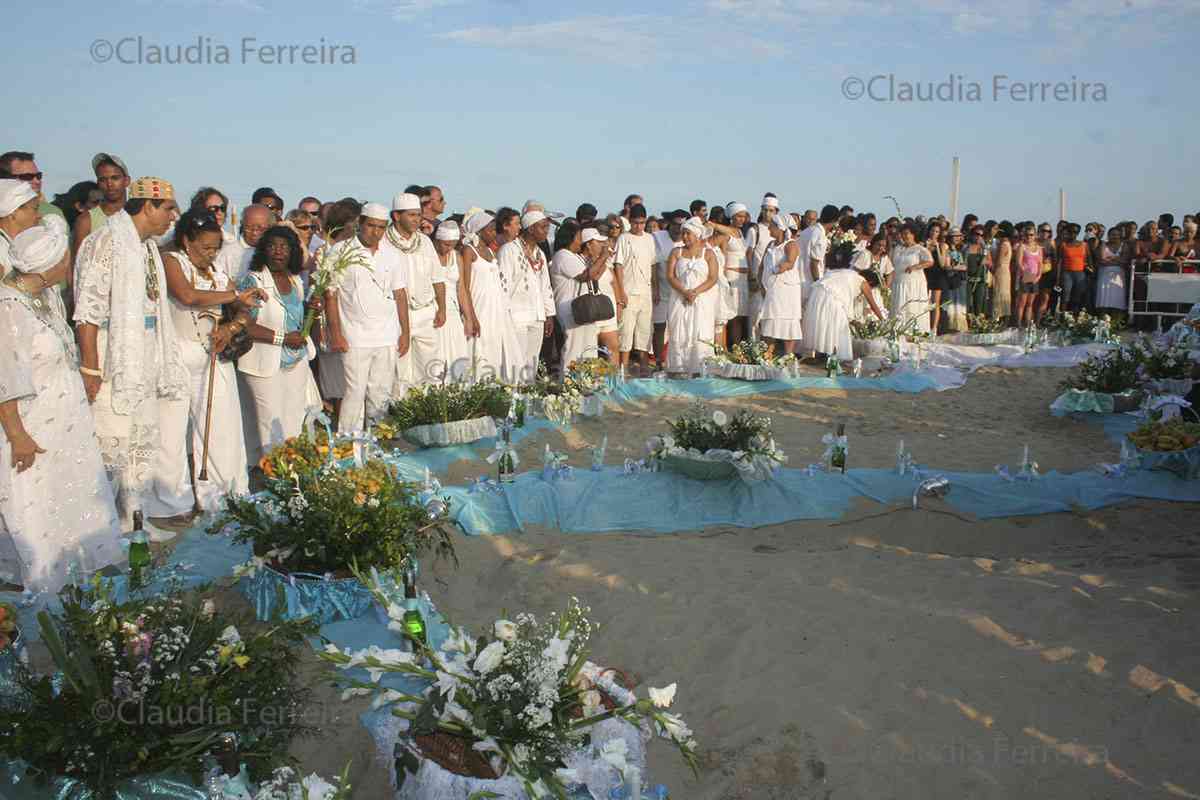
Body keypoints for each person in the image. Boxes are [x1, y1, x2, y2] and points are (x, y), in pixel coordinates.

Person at [0, 190, 124, 594]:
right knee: (35, 498)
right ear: (49, 263)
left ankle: (79, 561)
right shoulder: (9, 306)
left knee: (71, 489)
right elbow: (5, 376)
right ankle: (44, 571)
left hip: (64, 414)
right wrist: (17, 434)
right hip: (30, 423)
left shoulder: (46, 297)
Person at [73, 176, 189, 539]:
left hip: (147, 352)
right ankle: (100, 533)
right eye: (168, 207)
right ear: (148, 205)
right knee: (112, 442)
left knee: (140, 439)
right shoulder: (104, 242)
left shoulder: (148, 247)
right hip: (113, 357)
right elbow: (87, 312)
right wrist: (90, 368)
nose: (174, 215)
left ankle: (134, 519)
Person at [164, 211, 264, 508]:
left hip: (215, 353)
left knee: (223, 426)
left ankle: (222, 494)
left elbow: (246, 310)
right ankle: (173, 501)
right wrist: (233, 296)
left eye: (215, 248)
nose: (211, 254)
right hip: (179, 353)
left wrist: (231, 327)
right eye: (205, 247)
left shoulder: (218, 272)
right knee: (172, 432)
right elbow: (187, 296)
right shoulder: (172, 261)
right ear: (186, 241)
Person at [321, 205, 408, 434]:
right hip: (354, 336)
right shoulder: (341, 250)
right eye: (371, 225)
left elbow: (400, 294)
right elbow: (330, 294)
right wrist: (335, 333)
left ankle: (376, 440)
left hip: (387, 334)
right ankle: (347, 442)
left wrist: (405, 332)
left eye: (381, 227)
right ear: (360, 223)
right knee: (354, 392)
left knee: (380, 392)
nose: (375, 232)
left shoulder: (392, 254)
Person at [384, 193, 445, 391]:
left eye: (418, 215)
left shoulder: (425, 242)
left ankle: (429, 411)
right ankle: (401, 415)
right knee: (400, 369)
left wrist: (442, 308)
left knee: (430, 367)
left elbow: (437, 278)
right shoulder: (383, 241)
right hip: (396, 314)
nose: (417, 220)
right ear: (396, 216)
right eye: (411, 215)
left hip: (426, 312)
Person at [461, 211, 521, 383]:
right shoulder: (469, 251)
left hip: (495, 309)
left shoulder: (490, 252)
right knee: (479, 349)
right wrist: (471, 316)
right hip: (479, 307)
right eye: (491, 230)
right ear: (480, 231)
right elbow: (465, 286)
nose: (495, 234)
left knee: (494, 348)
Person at [498, 210, 555, 383]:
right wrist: (504, 317)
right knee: (515, 361)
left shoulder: (540, 254)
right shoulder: (509, 250)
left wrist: (549, 314)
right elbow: (503, 287)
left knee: (531, 362)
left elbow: (546, 286)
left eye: (547, 227)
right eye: (543, 227)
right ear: (530, 228)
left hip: (536, 316)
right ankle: (512, 401)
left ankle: (527, 400)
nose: (547, 231)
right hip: (516, 316)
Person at [803, 255, 886, 362]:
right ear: (870, 282)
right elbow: (873, 305)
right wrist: (883, 321)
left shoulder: (847, 273)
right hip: (830, 296)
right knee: (838, 325)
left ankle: (822, 354)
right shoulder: (863, 282)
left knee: (823, 324)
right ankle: (831, 356)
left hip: (818, 293)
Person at [551, 223, 609, 372]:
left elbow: (595, 275)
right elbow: (585, 276)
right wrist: (603, 256)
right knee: (574, 348)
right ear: (570, 238)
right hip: (569, 307)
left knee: (588, 348)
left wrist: (604, 258)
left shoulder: (575, 257)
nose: (580, 242)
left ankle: (585, 382)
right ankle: (569, 385)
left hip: (582, 308)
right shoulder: (562, 255)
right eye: (578, 238)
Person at [665, 217, 720, 375]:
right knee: (680, 331)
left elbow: (713, 278)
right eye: (683, 233)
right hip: (680, 297)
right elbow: (670, 276)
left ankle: (700, 368)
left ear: (697, 235)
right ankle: (679, 368)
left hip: (702, 299)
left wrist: (695, 292)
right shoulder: (676, 252)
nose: (685, 237)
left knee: (700, 331)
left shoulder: (708, 253)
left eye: (688, 233)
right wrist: (685, 291)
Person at [613, 203, 657, 375]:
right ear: (630, 221)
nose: (639, 226)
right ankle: (623, 369)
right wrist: (621, 291)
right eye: (636, 223)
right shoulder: (624, 238)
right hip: (629, 291)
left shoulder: (649, 238)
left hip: (646, 291)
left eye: (642, 223)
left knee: (645, 330)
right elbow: (618, 265)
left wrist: (656, 288)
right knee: (626, 330)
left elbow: (653, 264)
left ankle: (644, 367)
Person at [432, 221, 472, 381]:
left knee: (457, 355)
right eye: (446, 244)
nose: (448, 248)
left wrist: (468, 318)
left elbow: (461, 288)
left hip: (454, 313)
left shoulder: (456, 256)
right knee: (437, 357)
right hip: (435, 311)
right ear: (437, 240)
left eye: (453, 244)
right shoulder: (429, 255)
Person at [759, 214, 804, 355]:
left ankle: (788, 356)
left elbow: (789, 263)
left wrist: (775, 270)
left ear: (780, 228)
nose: (769, 228)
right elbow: (761, 266)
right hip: (772, 289)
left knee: (787, 321)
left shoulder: (791, 244)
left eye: (772, 225)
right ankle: (767, 354)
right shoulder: (770, 244)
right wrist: (761, 283)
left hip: (786, 290)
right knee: (770, 320)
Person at [72, 153, 130, 257]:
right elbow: (77, 265)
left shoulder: (139, 215)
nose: (109, 184)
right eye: (103, 180)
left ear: (127, 181)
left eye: (115, 178)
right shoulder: (86, 221)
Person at [890, 224, 934, 335]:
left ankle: (915, 331)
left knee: (912, 307)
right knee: (899, 306)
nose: (904, 236)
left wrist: (915, 267)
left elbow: (930, 261)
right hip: (899, 282)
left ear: (913, 234)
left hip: (914, 283)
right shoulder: (897, 248)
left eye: (907, 234)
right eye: (903, 234)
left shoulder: (919, 249)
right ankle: (899, 330)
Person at [213, 204, 272, 281]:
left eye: (260, 228)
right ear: (242, 223)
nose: (254, 232)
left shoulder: (275, 252)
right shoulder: (227, 253)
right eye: (249, 227)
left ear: (270, 226)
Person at [852, 233, 894, 322]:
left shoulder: (884, 258)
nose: (880, 248)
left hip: (876, 292)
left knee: (875, 316)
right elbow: (856, 272)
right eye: (878, 245)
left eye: (883, 246)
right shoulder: (865, 254)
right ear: (873, 243)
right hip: (862, 291)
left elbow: (890, 272)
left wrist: (886, 286)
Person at [1012, 225, 1043, 328]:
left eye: (1031, 235)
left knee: (1030, 303)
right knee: (1022, 302)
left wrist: (1038, 276)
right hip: (1025, 276)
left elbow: (1040, 263)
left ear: (1035, 235)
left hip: (1035, 277)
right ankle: (1019, 323)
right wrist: (1026, 274)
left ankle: (1028, 323)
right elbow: (1018, 262)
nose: (1029, 237)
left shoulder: (1038, 248)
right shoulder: (1022, 246)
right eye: (1027, 235)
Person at [1094, 226, 1131, 312]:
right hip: (1104, 275)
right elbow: (1102, 259)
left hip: (1119, 276)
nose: (1115, 236)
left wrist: (1110, 258)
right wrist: (1117, 259)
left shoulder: (1124, 245)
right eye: (1113, 234)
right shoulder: (1103, 244)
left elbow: (1125, 260)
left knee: (1117, 298)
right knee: (1104, 297)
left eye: (1117, 235)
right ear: (1108, 235)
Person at [1057, 223, 1089, 312]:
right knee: (1065, 296)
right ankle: (1063, 317)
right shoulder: (1063, 245)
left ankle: (1075, 319)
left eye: (1075, 232)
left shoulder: (1084, 245)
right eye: (1070, 231)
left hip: (1080, 273)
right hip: (1067, 273)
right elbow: (1059, 262)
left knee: (1077, 297)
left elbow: (1089, 261)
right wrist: (1058, 278)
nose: (1073, 234)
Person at [963, 226, 992, 316]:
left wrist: (985, 261)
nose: (979, 236)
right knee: (966, 303)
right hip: (968, 279)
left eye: (981, 235)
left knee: (979, 303)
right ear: (972, 234)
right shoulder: (966, 247)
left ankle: (978, 322)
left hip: (980, 279)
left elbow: (990, 262)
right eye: (977, 234)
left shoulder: (984, 249)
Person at [990, 223, 1014, 325]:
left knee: (999, 295)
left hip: (1000, 270)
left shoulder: (1003, 244)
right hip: (1005, 271)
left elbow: (998, 261)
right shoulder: (1008, 243)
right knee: (1004, 295)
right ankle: (1003, 321)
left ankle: (997, 320)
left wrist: (992, 269)